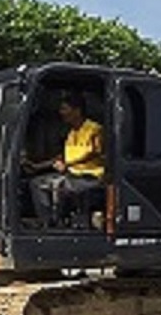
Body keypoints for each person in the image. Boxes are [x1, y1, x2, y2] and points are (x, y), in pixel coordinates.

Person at [33, 95, 107, 225]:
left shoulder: (95, 129)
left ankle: (58, 224)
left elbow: (96, 153)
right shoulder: (71, 132)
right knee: (36, 183)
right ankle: (47, 222)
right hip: (73, 175)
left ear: (77, 111)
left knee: (59, 186)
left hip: (91, 177)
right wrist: (37, 166)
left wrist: (67, 165)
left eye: (64, 109)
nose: (61, 113)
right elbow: (63, 157)